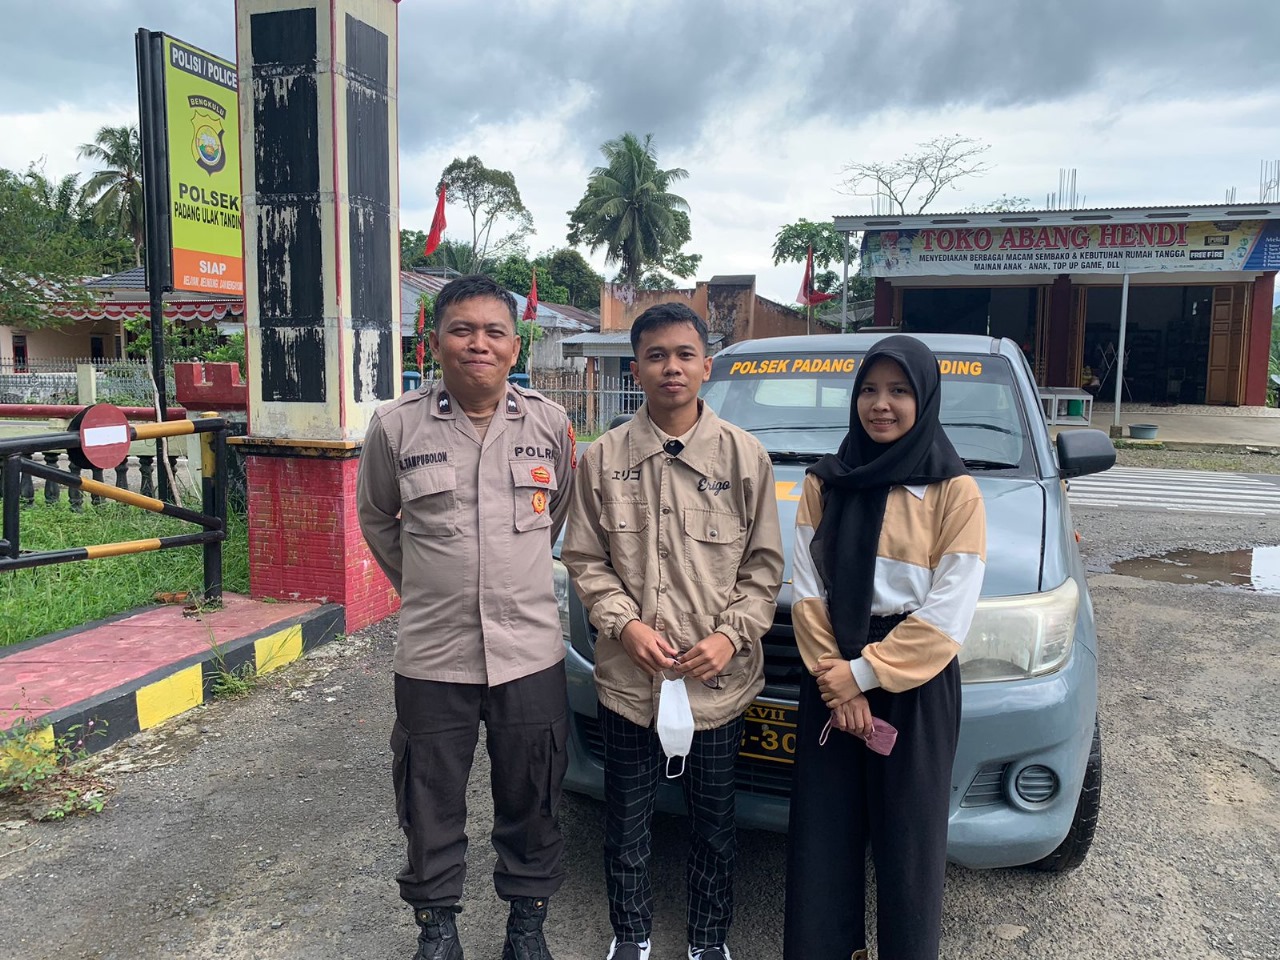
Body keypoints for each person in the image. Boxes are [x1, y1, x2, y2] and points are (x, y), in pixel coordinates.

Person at [356, 275, 576, 960]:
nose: (478, 343)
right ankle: (437, 931)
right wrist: (427, 586)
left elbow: (557, 513)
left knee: (534, 794)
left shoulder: (549, 424)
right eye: (462, 329)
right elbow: (377, 518)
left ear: (515, 346)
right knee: (428, 796)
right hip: (433, 653)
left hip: (529, 651)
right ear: (436, 340)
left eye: (493, 332)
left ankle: (526, 929)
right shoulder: (396, 426)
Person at [562, 303, 783, 960]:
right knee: (626, 822)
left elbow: (764, 568)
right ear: (636, 369)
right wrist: (623, 625)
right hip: (631, 683)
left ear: (706, 366)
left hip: (715, 687)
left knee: (714, 824)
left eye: (685, 354)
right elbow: (585, 558)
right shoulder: (603, 459)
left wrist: (730, 636)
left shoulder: (745, 458)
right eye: (656, 356)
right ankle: (630, 935)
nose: (671, 367)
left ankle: (708, 940)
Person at [783, 335, 987, 960]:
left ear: (924, 399)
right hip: (830, 672)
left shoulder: (955, 492)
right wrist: (839, 682)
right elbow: (807, 592)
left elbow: (948, 613)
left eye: (899, 390)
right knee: (823, 839)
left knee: (909, 847)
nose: (881, 404)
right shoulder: (825, 482)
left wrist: (864, 676)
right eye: (869, 390)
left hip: (914, 682)